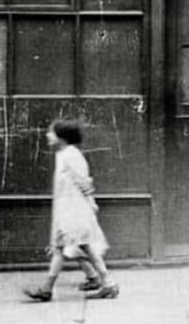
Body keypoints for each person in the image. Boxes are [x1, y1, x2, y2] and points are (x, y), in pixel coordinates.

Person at [23, 119, 119, 301]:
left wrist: (91, 202)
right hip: (68, 210)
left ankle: (47, 289)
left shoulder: (70, 155)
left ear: (62, 137)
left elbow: (84, 182)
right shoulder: (64, 154)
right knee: (81, 247)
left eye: (51, 132)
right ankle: (108, 284)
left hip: (74, 211)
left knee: (65, 247)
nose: (47, 135)